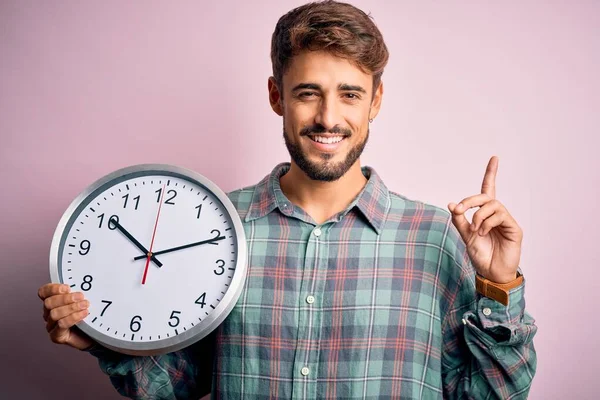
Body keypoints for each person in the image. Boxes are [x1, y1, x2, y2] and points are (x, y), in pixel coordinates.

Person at [38, 1, 537, 398]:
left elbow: (491, 396)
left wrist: (498, 286)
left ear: (375, 101)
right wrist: (101, 336)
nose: (327, 117)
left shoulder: (436, 237)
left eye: (349, 94)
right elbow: (177, 385)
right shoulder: (214, 229)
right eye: (307, 93)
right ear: (277, 96)